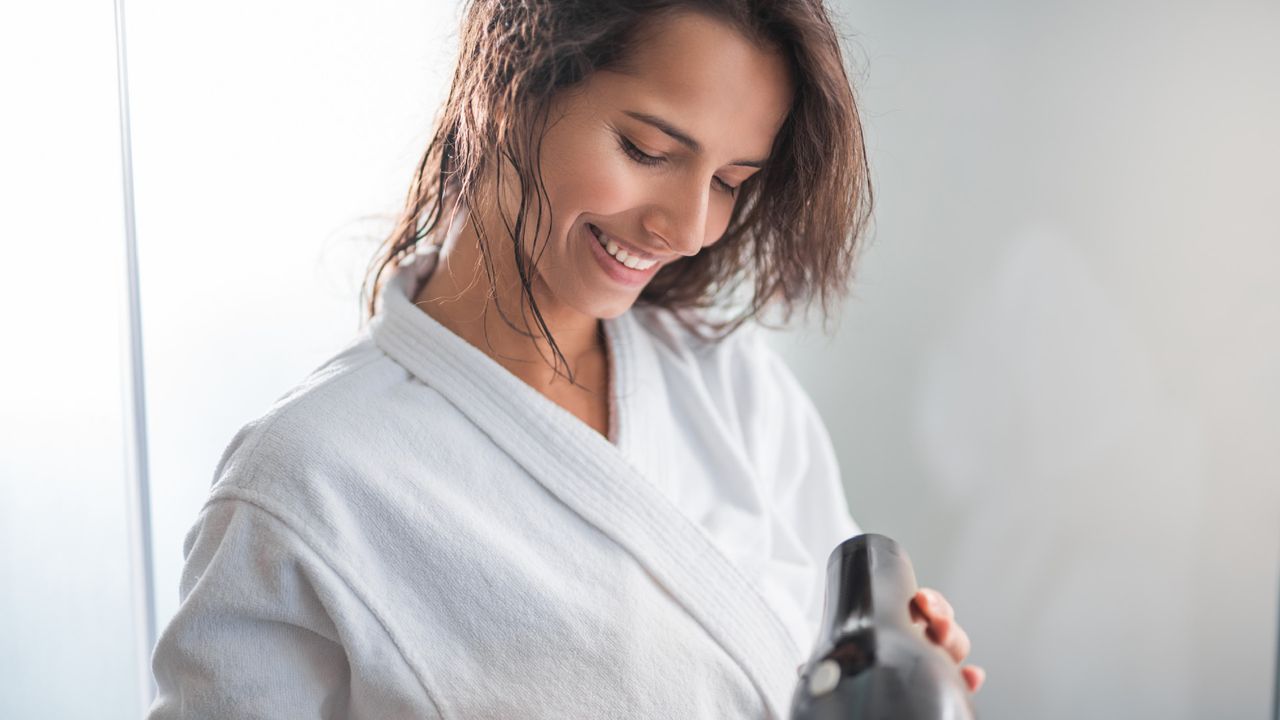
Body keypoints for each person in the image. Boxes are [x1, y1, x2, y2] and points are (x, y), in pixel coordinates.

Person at [147, 1, 984, 717]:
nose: (689, 227)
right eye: (649, 151)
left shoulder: (734, 388)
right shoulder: (306, 482)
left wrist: (907, 649)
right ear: (510, 85)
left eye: (730, 180)